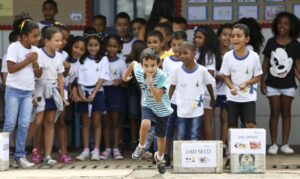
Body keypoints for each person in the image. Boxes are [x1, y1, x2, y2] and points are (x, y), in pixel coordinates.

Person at [123, 48, 173, 174]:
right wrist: (125, 76)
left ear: (158, 64)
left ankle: (160, 158)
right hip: (148, 105)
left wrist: (150, 84)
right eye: (146, 65)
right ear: (142, 65)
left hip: (162, 109)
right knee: (145, 123)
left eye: (153, 65)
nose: (149, 69)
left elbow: (157, 98)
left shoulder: (161, 76)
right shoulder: (139, 70)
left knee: (161, 137)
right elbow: (133, 63)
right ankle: (141, 147)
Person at [2, 12, 42, 168]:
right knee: (10, 124)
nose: (37, 39)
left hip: (27, 92)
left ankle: (20, 156)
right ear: (24, 37)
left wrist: (35, 63)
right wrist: (28, 60)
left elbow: (38, 74)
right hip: (13, 91)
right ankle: (3, 158)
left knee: (24, 124)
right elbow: (11, 69)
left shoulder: (35, 51)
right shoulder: (14, 47)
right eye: (35, 36)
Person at [261, 12, 300, 155]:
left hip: (289, 85)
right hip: (272, 84)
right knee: (274, 113)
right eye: (279, 23)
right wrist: (262, 81)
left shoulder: (296, 44)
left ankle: (285, 144)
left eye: (286, 23)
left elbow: (297, 67)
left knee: (287, 114)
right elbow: (265, 64)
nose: (282, 26)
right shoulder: (271, 42)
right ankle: (274, 144)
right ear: (275, 25)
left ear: (292, 27)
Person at [29, 26, 67, 165]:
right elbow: (33, 76)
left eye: (61, 40)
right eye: (56, 40)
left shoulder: (59, 56)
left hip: (53, 90)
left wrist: (62, 97)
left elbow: (60, 77)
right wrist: (33, 95)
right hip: (39, 90)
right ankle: (23, 150)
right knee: (37, 122)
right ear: (46, 41)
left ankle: (48, 156)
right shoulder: (38, 53)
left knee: (50, 123)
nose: (60, 43)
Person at [75, 27, 110, 161]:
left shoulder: (103, 59)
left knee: (96, 122)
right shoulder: (81, 59)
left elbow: (102, 78)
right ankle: (85, 150)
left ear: (100, 46)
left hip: (97, 92)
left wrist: (94, 93)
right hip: (83, 92)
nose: (93, 48)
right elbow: (78, 79)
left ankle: (96, 150)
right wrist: (81, 94)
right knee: (85, 123)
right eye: (90, 45)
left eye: (96, 45)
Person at [169, 41, 215, 141]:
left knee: (194, 135)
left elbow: (209, 85)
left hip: (197, 109)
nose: (182, 56)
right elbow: (172, 86)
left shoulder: (202, 70)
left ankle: (193, 156)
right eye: (180, 53)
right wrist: (167, 101)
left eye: (185, 53)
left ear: (194, 54)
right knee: (181, 135)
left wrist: (212, 98)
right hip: (181, 109)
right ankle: (181, 156)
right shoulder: (177, 70)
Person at [221, 23, 262, 130]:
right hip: (232, 97)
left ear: (247, 39)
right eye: (232, 36)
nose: (235, 39)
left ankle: (251, 146)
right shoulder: (227, 56)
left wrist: (247, 83)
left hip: (248, 97)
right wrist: (232, 87)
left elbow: (258, 77)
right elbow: (225, 76)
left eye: (239, 36)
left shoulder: (254, 56)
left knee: (250, 124)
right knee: (232, 127)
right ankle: (232, 147)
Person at [162, 31, 186, 165]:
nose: (177, 48)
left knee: (181, 129)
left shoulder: (189, 60)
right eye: (174, 45)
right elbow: (164, 81)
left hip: (184, 102)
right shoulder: (166, 61)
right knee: (168, 129)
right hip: (170, 101)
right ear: (170, 45)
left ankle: (179, 156)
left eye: (180, 45)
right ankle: (165, 155)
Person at [101, 34, 126, 160]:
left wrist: (121, 80)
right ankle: (107, 148)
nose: (111, 49)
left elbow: (127, 79)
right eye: (109, 46)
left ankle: (116, 148)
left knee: (115, 122)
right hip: (104, 91)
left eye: (115, 46)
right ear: (105, 46)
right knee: (106, 122)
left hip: (116, 92)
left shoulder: (121, 62)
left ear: (119, 47)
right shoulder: (101, 60)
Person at [194, 26, 221, 140]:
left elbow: (210, 74)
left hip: (206, 92)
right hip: (195, 92)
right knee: (198, 122)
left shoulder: (209, 54)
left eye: (200, 37)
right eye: (195, 37)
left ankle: (209, 147)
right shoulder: (195, 52)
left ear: (207, 39)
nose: (196, 40)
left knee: (207, 121)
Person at [124, 40, 147, 149]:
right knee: (134, 115)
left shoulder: (148, 62)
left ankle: (142, 142)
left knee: (143, 117)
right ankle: (134, 141)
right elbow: (126, 79)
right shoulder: (130, 61)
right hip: (133, 90)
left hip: (145, 91)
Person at [216, 23, 232, 153]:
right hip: (213, 90)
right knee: (208, 118)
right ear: (218, 37)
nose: (227, 38)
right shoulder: (211, 53)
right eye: (224, 34)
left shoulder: (234, 54)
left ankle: (223, 144)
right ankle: (210, 145)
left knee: (224, 117)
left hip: (227, 90)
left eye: (230, 35)